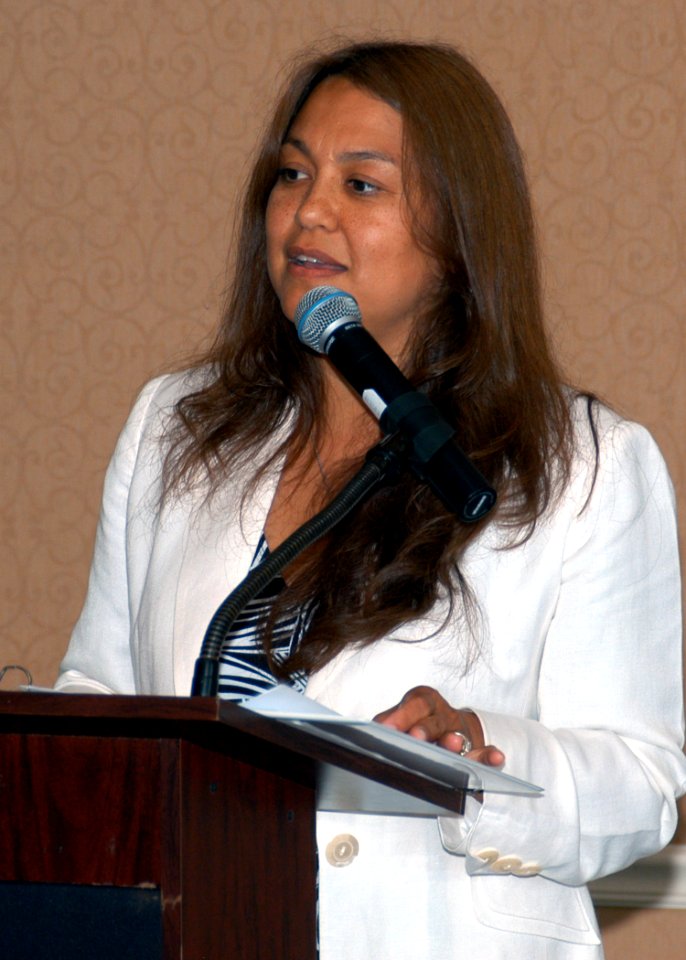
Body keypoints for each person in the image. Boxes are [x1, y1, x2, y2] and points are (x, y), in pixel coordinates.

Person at [55, 40, 685, 958]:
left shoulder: (582, 466)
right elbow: (103, 695)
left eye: (361, 185)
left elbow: (642, 781)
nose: (306, 211)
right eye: (292, 175)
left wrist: (477, 746)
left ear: (458, 233)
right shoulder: (174, 430)